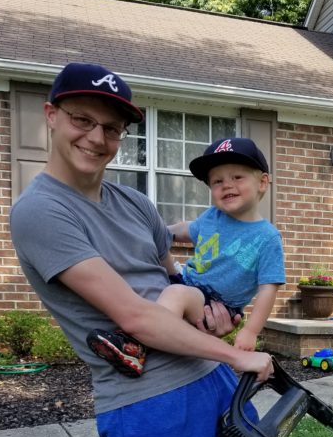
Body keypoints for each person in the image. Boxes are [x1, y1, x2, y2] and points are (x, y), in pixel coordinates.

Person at [9, 62, 281, 437]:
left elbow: (174, 281)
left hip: (214, 379)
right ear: (51, 116)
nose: (97, 138)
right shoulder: (41, 211)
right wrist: (237, 355)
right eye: (83, 120)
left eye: (112, 129)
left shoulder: (135, 202)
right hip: (150, 402)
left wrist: (209, 312)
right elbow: (135, 317)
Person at [87, 137, 285, 378]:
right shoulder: (213, 217)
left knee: (175, 294)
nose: (226, 185)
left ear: (263, 182)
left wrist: (251, 331)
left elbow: (269, 288)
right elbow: (186, 229)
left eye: (237, 177)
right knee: (156, 287)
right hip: (189, 284)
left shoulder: (267, 237)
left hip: (216, 303)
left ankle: (134, 347)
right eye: (217, 181)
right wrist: (162, 232)